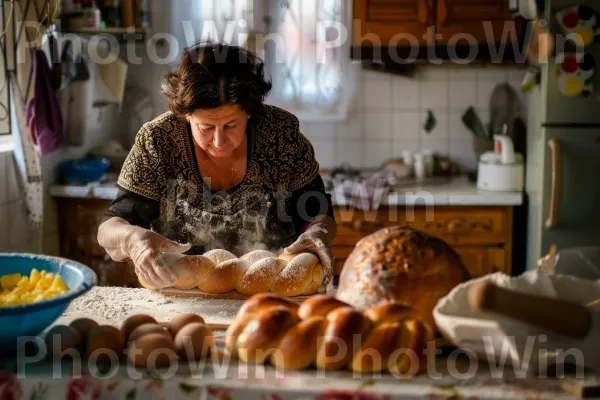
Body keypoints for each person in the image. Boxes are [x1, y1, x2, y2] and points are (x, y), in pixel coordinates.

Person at [97, 42, 336, 292]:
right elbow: (110, 228)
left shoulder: (280, 133)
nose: (219, 141)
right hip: (179, 296)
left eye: (231, 125)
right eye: (206, 128)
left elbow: (319, 213)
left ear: (250, 113)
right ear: (185, 116)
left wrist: (317, 235)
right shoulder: (158, 140)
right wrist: (133, 240)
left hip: (274, 291)